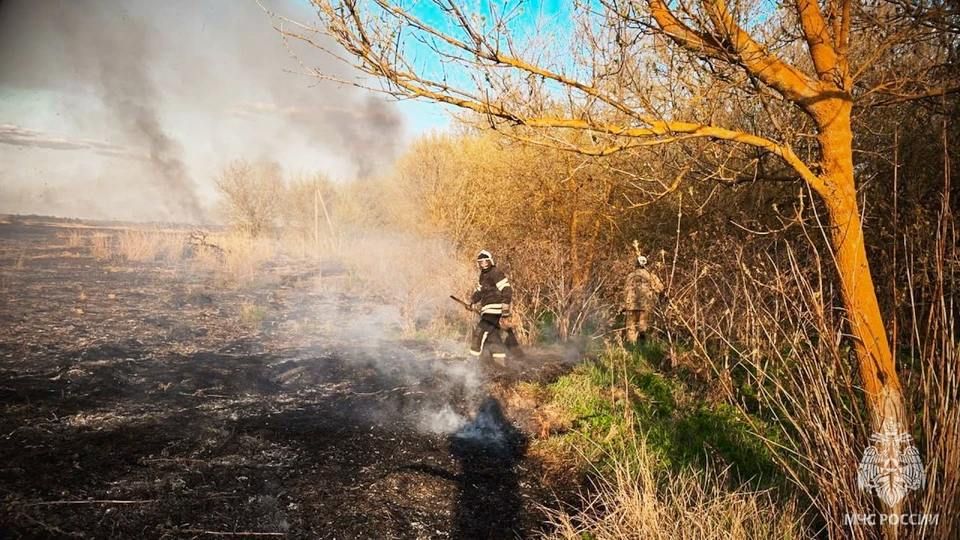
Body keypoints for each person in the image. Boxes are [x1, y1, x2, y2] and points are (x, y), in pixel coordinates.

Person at [466, 250, 521, 365]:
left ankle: (472, 362)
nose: (484, 263)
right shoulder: (483, 275)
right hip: (486, 309)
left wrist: (505, 308)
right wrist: (471, 301)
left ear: (490, 260)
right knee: (493, 336)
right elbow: (479, 292)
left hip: (494, 309)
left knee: (480, 331)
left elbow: (507, 289)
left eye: (486, 261)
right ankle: (500, 362)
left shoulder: (496, 272)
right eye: (481, 262)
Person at [623, 254, 664, 344]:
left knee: (631, 328)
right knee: (644, 327)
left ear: (636, 264)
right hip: (646, 306)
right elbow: (660, 288)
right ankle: (643, 346)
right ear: (647, 264)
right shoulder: (651, 276)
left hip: (631, 306)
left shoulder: (630, 276)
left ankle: (632, 347)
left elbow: (625, 290)